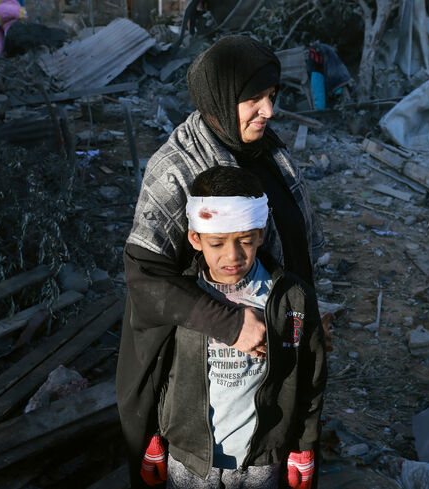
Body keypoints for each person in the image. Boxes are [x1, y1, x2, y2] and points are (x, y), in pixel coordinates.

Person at [116, 34, 324, 489]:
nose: (268, 111)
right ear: (220, 98)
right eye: (253, 99)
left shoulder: (266, 150)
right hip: (195, 390)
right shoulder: (177, 169)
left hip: (266, 385)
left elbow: (293, 240)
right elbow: (145, 279)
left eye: (271, 97)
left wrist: (307, 315)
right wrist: (231, 324)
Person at [144, 166, 326, 489]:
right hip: (189, 460)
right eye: (217, 243)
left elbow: (310, 375)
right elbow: (158, 369)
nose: (233, 256)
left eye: (244, 240)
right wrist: (154, 436)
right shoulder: (182, 297)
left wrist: (304, 445)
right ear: (195, 238)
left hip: (259, 462)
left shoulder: (289, 299)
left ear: (259, 233)